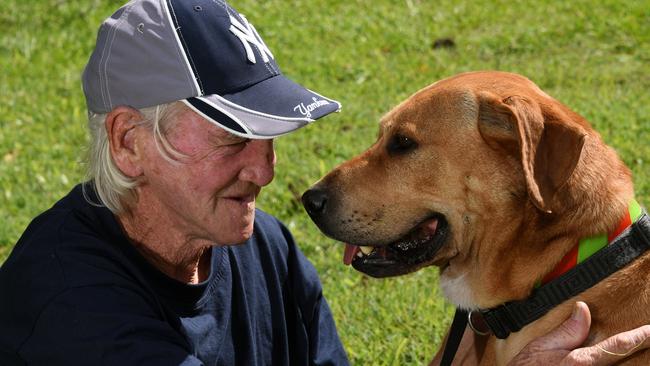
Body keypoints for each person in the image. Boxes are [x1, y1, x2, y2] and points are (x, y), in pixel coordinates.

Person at [0, 1, 647, 365]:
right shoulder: (70, 313)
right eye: (232, 139)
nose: (266, 171)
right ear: (128, 142)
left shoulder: (261, 253)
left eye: (267, 137)